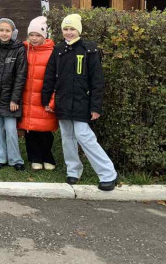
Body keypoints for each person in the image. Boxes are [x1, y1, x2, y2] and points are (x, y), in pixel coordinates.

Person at [42, 14, 118, 191]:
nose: (68, 33)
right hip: (62, 101)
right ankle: (73, 170)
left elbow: (97, 81)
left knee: (84, 136)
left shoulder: (89, 50)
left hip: (82, 102)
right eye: (65, 29)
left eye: (72, 29)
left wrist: (95, 106)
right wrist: (46, 99)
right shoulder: (58, 50)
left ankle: (108, 174)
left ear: (79, 30)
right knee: (67, 137)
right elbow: (49, 76)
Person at [0, 18, 28, 171]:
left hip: (11, 98)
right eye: (1, 30)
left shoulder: (19, 49)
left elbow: (20, 75)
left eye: (7, 31)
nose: (4, 33)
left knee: (11, 130)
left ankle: (15, 159)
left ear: (13, 33)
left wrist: (15, 98)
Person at [18, 16, 58, 171]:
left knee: (45, 130)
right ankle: (34, 157)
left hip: (44, 97)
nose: (34, 38)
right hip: (27, 97)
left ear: (44, 36)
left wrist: (52, 100)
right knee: (30, 130)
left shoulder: (52, 52)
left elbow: (57, 78)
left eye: (38, 35)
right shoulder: (24, 49)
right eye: (31, 35)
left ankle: (47, 156)